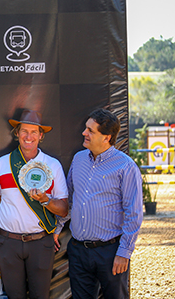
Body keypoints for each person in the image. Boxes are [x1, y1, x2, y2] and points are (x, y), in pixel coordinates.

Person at [0, 109, 68, 299]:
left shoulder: (52, 165)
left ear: (41, 135)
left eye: (33, 132)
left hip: (41, 243)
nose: (28, 136)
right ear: (16, 134)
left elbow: (64, 210)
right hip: (9, 243)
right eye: (24, 131)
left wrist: (46, 200)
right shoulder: (3, 162)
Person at [63, 108, 142, 299]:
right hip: (78, 251)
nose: (84, 133)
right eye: (86, 128)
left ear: (107, 137)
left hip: (111, 252)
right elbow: (70, 199)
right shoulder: (79, 159)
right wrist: (57, 228)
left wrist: (124, 252)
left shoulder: (126, 166)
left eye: (91, 130)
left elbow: (134, 213)